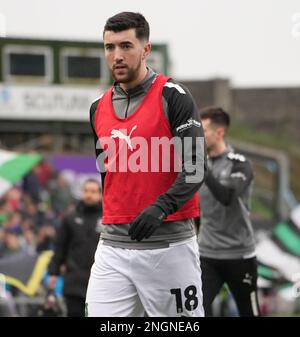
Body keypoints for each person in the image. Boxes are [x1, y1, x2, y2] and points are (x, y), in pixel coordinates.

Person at [86, 12, 206, 317]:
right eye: (109, 47)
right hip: (112, 247)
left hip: (169, 247)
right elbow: (107, 174)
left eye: (126, 45)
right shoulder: (97, 108)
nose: (117, 56)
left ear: (146, 49)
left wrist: (161, 206)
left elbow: (195, 166)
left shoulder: (174, 97)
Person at [198, 106, 260, 317]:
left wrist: (203, 170)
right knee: (195, 313)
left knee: (249, 313)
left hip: (239, 254)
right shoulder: (197, 167)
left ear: (220, 132)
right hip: (206, 255)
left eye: (203, 130)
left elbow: (227, 197)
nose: (199, 136)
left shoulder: (240, 165)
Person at [48, 179, 102, 317]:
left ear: (100, 195)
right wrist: (53, 273)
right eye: (86, 191)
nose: (89, 195)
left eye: (93, 191)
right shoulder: (70, 218)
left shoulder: (107, 218)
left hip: (100, 281)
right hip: (74, 281)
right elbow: (60, 247)